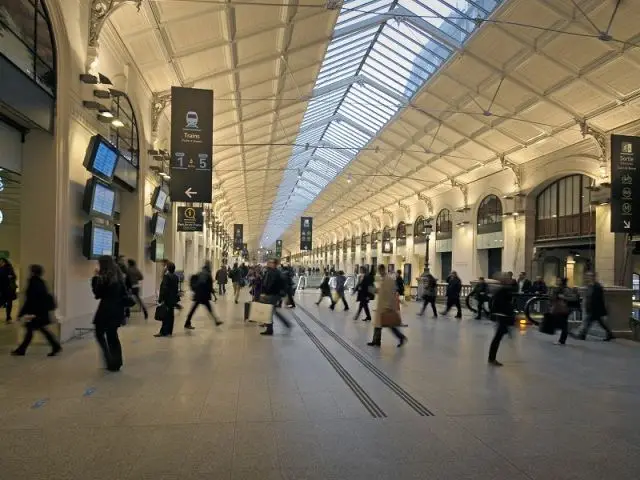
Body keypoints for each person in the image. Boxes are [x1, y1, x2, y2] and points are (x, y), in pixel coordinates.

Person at [11, 265, 61, 357]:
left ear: (33, 272)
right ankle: (55, 346)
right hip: (40, 312)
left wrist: (21, 313)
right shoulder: (41, 282)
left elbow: (30, 300)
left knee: (33, 331)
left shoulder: (33, 283)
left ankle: (22, 350)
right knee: (35, 330)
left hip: (35, 313)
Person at [91, 255, 126, 372]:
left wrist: (95, 278)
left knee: (99, 334)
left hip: (105, 310)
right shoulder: (119, 277)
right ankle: (117, 361)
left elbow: (97, 294)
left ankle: (109, 358)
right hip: (118, 311)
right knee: (113, 336)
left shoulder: (104, 278)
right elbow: (124, 293)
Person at [367, 264, 407, 347]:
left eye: (379, 271)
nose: (379, 273)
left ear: (382, 270)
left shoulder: (388, 280)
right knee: (378, 325)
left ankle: (401, 337)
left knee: (390, 325)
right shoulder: (384, 279)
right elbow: (382, 291)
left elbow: (390, 294)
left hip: (386, 306)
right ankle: (376, 341)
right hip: (382, 305)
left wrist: (388, 306)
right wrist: (374, 290)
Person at [575, 272, 614, 341]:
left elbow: (598, 299)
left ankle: (582, 335)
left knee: (588, 322)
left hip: (595, 309)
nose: (587, 278)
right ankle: (610, 334)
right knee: (600, 323)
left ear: (593, 277)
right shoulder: (590, 286)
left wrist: (594, 307)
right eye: (587, 276)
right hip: (592, 308)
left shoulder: (597, 286)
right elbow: (589, 297)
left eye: (589, 276)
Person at [487, 273, 515, 367]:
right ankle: (491, 358)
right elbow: (498, 303)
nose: (509, 279)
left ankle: (491, 358)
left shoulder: (503, 289)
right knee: (497, 338)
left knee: (498, 337)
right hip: (502, 316)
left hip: (503, 316)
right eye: (507, 278)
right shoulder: (502, 290)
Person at [186, 261, 223, 329]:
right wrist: (214, 296)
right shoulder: (207, 274)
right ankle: (216, 321)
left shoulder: (201, 273)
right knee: (206, 308)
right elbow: (209, 287)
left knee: (195, 309)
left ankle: (216, 321)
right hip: (203, 296)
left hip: (199, 295)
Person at [260, 258, 292, 336]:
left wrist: (265, 293)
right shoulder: (271, 271)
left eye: (270, 262)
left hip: (273, 294)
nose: (268, 263)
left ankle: (270, 329)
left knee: (270, 311)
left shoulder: (275, 272)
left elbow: (271, 284)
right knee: (272, 311)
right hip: (273, 294)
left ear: (274, 264)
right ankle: (285, 323)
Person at [155, 261, 180, 337]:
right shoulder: (176, 277)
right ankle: (169, 331)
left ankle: (163, 332)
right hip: (173, 299)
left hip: (167, 299)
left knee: (165, 316)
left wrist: (161, 299)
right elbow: (175, 289)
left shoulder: (167, 276)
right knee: (171, 316)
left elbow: (164, 289)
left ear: (168, 268)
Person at [550, 277, 573, 345]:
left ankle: (562, 340)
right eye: (557, 280)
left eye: (558, 280)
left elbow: (571, 298)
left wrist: (563, 297)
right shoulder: (557, 288)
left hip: (563, 309)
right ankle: (561, 340)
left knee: (564, 325)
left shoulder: (565, 289)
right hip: (559, 309)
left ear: (562, 282)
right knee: (563, 324)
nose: (557, 281)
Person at [0, 258, 17, 323]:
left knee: (9, 303)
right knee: (4, 302)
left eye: (1, 262)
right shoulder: (1, 269)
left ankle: (8, 317)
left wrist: (11, 276)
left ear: (5, 262)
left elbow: (14, 276)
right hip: (2, 289)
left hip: (8, 289)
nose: (0, 263)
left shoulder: (9, 268)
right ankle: (8, 317)